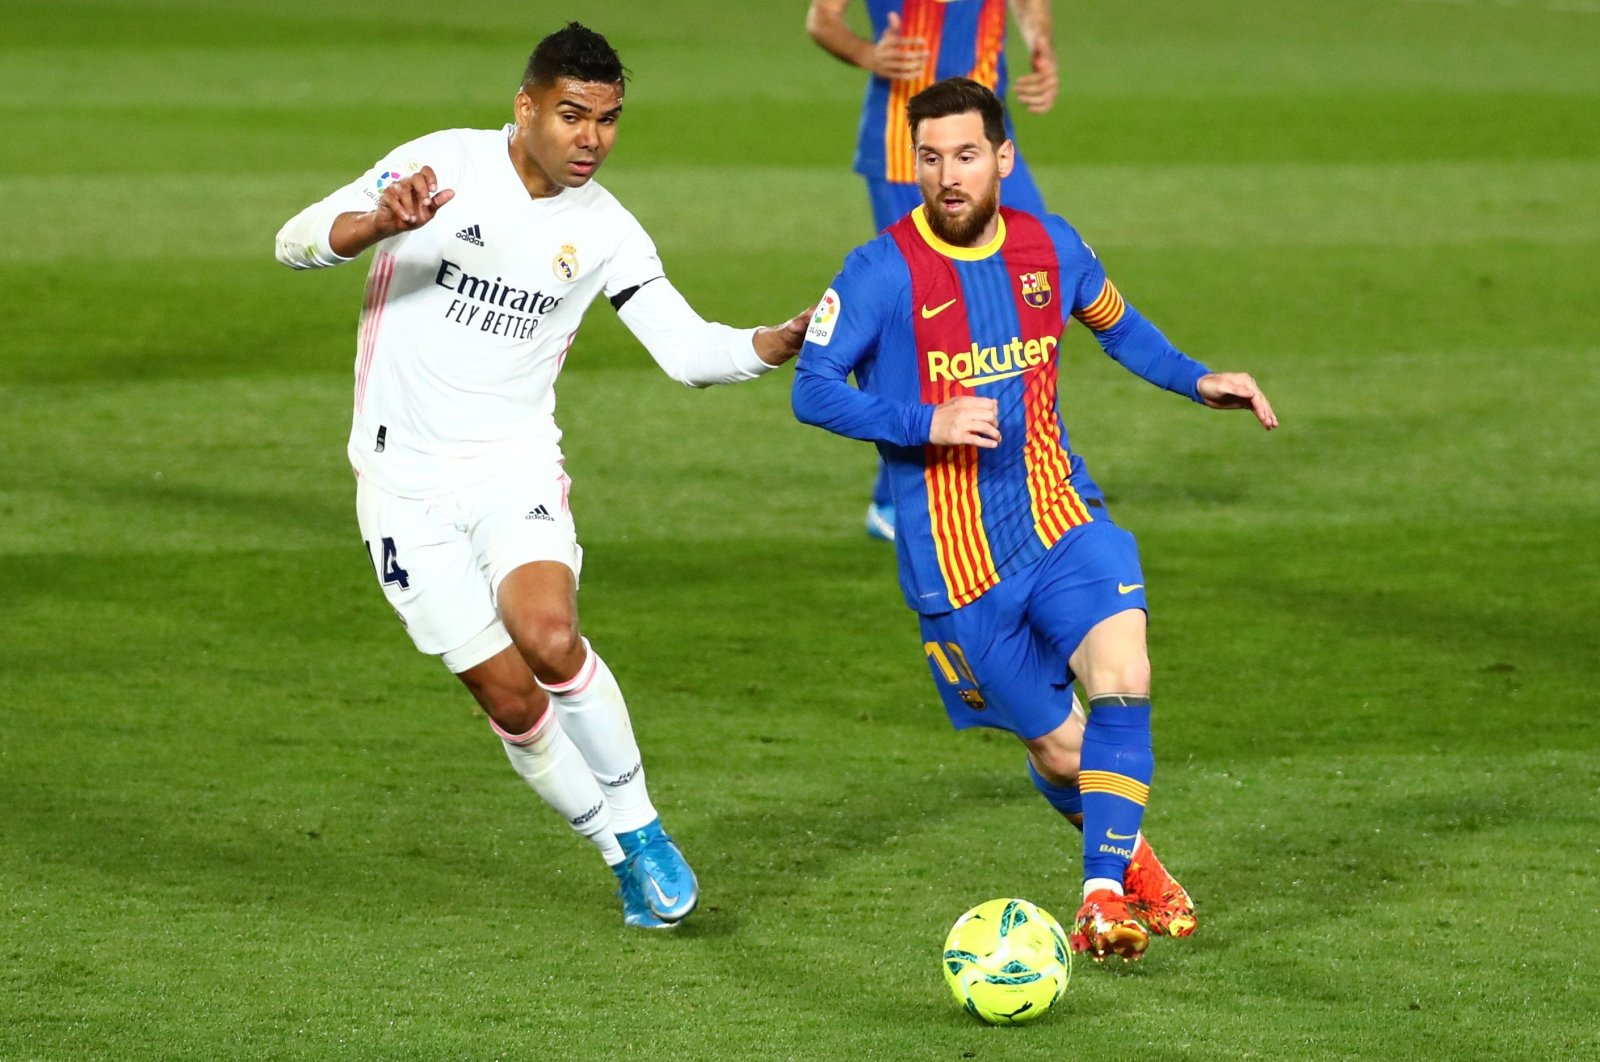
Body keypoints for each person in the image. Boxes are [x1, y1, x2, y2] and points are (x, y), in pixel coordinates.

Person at [274, 23, 809, 930]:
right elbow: (293, 242)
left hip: (511, 465)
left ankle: (643, 832)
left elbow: (685, 351)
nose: (592, 139)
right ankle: (613, 849)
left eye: (607, 120)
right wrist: (376, 222)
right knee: (510, 697)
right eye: (572, 115)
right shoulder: (439, 167)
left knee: (550, 635)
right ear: (525, 108)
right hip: (401, 486)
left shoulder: (607, 233)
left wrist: (773, 343)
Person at [791, 78, 1278, 960]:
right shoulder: (878, 272)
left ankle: (1097, 896)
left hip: (1059, 514)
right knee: (1062, 754)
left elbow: (1118, 327)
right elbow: (812, 388)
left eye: (967, 155)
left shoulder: (1051, 249)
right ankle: (1131, 862)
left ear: (1004, 159)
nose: (948, 176)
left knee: (1125, 668)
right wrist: (924, 420)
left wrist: (1198, 378)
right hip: (955, 566)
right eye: (930, 157)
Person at [805, 0, 1059, 542]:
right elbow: (822, 18)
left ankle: (1011, 472)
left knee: (1035, 288)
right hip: (908, 157)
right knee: (927, 325)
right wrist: (869, 53)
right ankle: (896, 497)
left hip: (988, 147)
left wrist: (1041, 47)